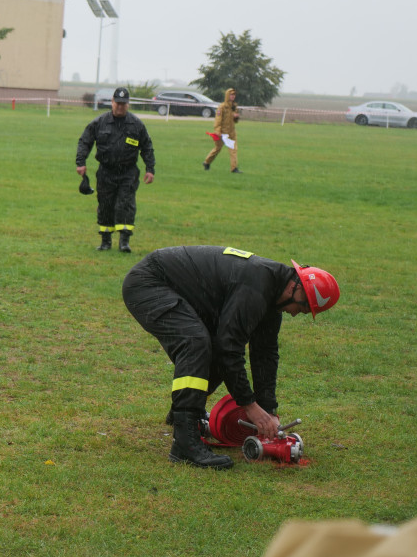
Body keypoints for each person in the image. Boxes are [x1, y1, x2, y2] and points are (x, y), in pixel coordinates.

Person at [122, 245, 340, 469]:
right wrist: (250, 406)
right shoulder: (256, 286)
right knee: (195, 342)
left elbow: (265, 354)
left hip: (170, 286)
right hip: (148, 284)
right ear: (295, 287)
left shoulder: (272, 294)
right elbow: (230, 348)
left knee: (211, 348)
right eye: (301, 307)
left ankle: (185, 416)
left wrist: (268, 411)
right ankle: (184, 445)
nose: (295, 313)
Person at [75, 86, 156, 253]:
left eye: (123, 104)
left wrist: (150, 168)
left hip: (128, 172)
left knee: (125, 204)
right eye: (117, 103)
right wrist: (81, 162)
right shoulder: (99, 122)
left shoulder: (136, 124)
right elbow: (85, 141)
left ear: (128, 104)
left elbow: (147, 147)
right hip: (106, 171)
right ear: (112, 102)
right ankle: (105, 241)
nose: (120, 106)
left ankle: (124, 242)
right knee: (105, 204)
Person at [203, 87, 241, 173]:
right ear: (227, 95)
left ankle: (234, 168)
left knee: (233, 150)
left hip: (231, 133)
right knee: (217, 149)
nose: (233, 96)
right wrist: (217, 131)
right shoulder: (222, 107)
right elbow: (218, 120)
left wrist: (236, 117)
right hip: (222, 133)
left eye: (234, 95)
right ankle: (207, 162)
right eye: (231, 94)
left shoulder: (234, 107)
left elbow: (235, 121)